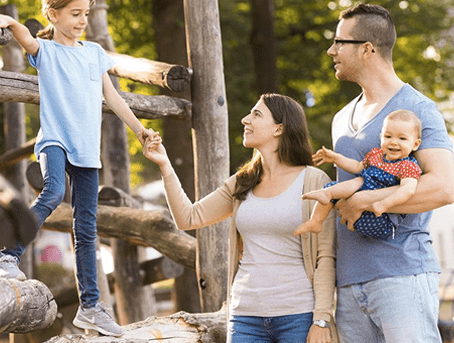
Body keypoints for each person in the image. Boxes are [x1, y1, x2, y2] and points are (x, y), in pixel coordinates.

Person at [0, 0, 159, 337]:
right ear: (53, 14)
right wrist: (11, 21)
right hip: (55, 141)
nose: (82, 20)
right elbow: (26, 39)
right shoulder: (46, 52)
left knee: (87, 229)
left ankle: (91, 307)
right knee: (51, 193)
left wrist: (140, 130)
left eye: (86, 14)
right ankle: (7, 256)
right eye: (75, 13)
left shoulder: (94, 53)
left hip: (86, 151)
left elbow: (113, 98)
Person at [143, 93, 338, 343]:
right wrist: (164, 165)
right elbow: (188, 218)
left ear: (279, 128)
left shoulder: (313, 180)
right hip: (245, 317)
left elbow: (324, 257)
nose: (246, 120)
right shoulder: (241, 183)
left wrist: (322, 318)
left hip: (298, 315)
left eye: (256, 114)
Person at [326, 3, 454, 343]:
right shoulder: (340, 119)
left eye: (339, 42)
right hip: (349, 284)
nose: (331, 50)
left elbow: (444, 186)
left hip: (402, 275)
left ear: (367, 49)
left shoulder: (418, 109)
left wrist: (366, 200)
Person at [295, 109, 422, 239]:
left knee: (359, 181)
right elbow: (356, 166)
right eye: (388, 136)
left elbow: (408, 190)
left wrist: (385, 204)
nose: (394, 142)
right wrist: (336, 158)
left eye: (402, 138)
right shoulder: (376, 155)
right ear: (381, 137)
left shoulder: (408, 165)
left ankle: (327, 195)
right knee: (334, 186)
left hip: (381, 217)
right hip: (358, 208)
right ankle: (316, 221)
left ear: (415, 144)